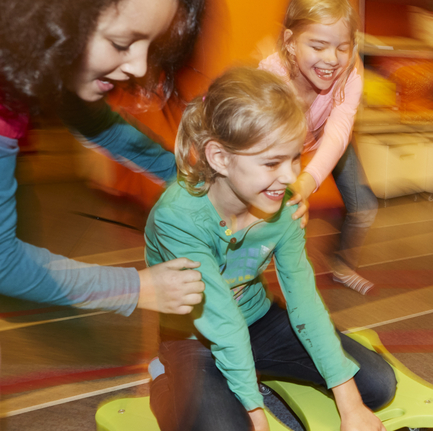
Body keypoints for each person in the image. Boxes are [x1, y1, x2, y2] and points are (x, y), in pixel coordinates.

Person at [0, 0, 205, 429]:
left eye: (149, 45)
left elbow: (102, 125)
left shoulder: (38, 51)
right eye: (122, 42)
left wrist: (192, 179)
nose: (138, 66)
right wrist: (137, 288)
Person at [146, 68, 396, 431]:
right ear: (219, 158)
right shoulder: (177, 217)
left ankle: (246, 368)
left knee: (376, 385)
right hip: (194, 337)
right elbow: (220, 320)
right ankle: (163, 378)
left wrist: (351, 404)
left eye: (295, 157)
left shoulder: (284, 205)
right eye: (271, 162)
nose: (290, 176)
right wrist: (256, 414)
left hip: (257, 321)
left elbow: (304, 301)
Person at [259, 0, 378, 295]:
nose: (331, 59)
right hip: (283, 143)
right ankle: (243, 280)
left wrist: (309, 180)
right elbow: (262, 148)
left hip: (329, 137)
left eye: (342, 47)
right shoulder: (272, 79)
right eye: (318, 46)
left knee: (364, 208)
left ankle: (341, 265)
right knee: (273, 214)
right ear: (290, 42)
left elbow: (338, 133)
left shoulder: (349, 75)